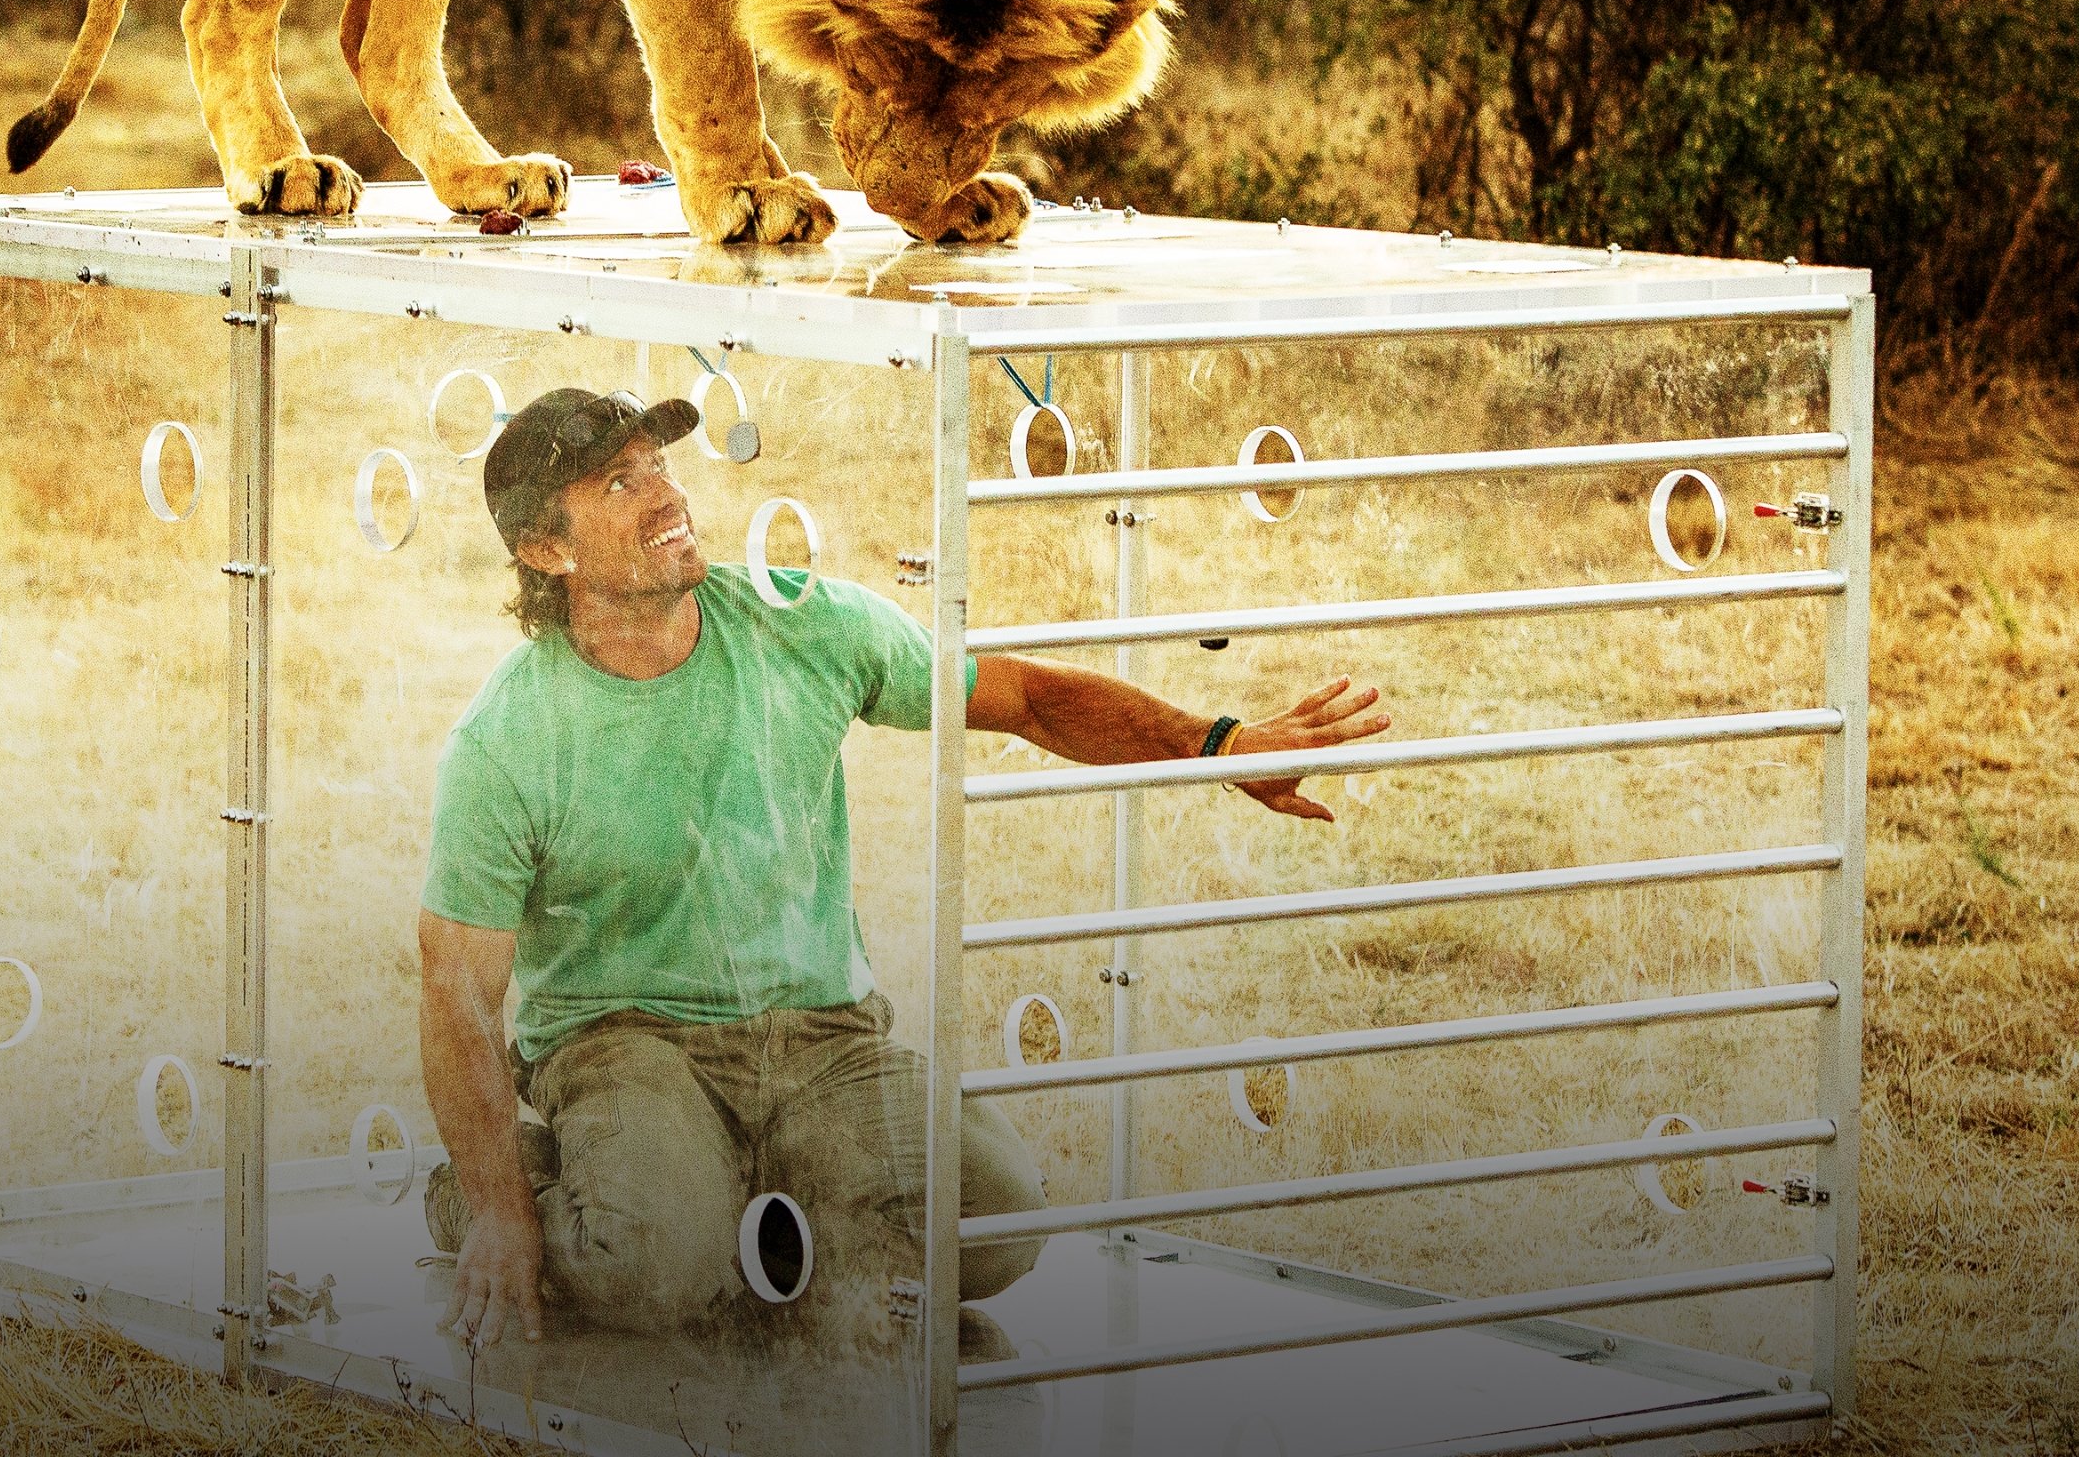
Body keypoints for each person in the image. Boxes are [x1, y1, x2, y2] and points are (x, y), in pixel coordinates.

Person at [418, 385, 1390, 1352]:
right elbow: (456, 990)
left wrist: (1219, 745)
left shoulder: (799, 624)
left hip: (822, 1039)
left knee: (999, 1226)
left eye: (660, 464)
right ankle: (501, 1190)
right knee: (648, 1266)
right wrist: (501, 1212)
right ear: (547, 550)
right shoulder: (507, 739)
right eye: (618, 484)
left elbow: (1025, 697)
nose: (667, 495)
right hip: (630, 1044)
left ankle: (724, 1209)